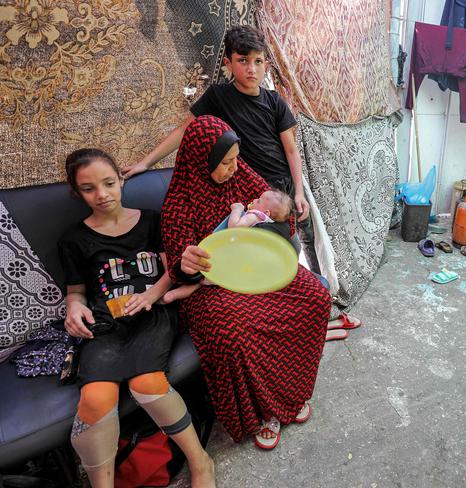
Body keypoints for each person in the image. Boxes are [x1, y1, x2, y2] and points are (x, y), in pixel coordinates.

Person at [160, 115, 332, 450]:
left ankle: (291, 391)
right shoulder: (178, 205)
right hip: (213, 286)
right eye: (225, 163)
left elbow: (282, 217)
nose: (235, 168)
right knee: (231, 333)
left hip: (259, 269)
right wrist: (188, 263)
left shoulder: (242, 176)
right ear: (200, 161)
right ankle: (263, 412)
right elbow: (181, 269)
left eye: (236, 159)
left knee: (315, 298)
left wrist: (277, 234)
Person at [58, 148, 214, 487]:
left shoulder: (151, 221)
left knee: (147, 384)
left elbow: (172, 270)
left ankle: (200, 461)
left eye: (109, 183)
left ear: (121, 180)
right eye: (88, 189)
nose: (101, 194)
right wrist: (74, 308)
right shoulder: (73, 240)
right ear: (76, 192)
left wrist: (150, 295)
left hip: (153, 312)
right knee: (96, 398)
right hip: (106, 323)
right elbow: (76, 292)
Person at [122, 25, 320, 274]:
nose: (251, 69)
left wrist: (299, 193)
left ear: (266, 64)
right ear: (228, 63)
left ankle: (316, 282)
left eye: (258, 61)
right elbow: (184, 130)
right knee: (257, 251)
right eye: (243, 60)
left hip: (283, 189)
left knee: (295, 243)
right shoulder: (218, 96)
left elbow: (291, 150)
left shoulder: (274, 101)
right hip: (251, 190)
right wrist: (145, 163)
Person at [161, 188, 294, 304]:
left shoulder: (256, 216)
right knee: (205, 280)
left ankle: (175, 294)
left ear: (267, 212)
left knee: (205, 272)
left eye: (259, 201)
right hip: (243, 265)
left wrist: (237, 209)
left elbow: (234, 227)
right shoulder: (271, 224)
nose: (254, 200)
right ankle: (175, 294)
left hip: (231, 256)